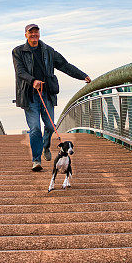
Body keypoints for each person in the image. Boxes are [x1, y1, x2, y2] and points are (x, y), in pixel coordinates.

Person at [12, 23, 91, 171]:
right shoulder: (18, 51)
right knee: (35, 128)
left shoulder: (48, 51)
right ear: (26, 35)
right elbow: (20, 72)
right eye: (31, 32)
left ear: (39, 34)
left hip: (47, 94)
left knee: (49, 126)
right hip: (29, 96)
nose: (34, 35)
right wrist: (33, 81)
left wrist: (82, 75)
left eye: (36, 32)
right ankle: (36, 160)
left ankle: (45, 146)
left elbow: (65, 65)